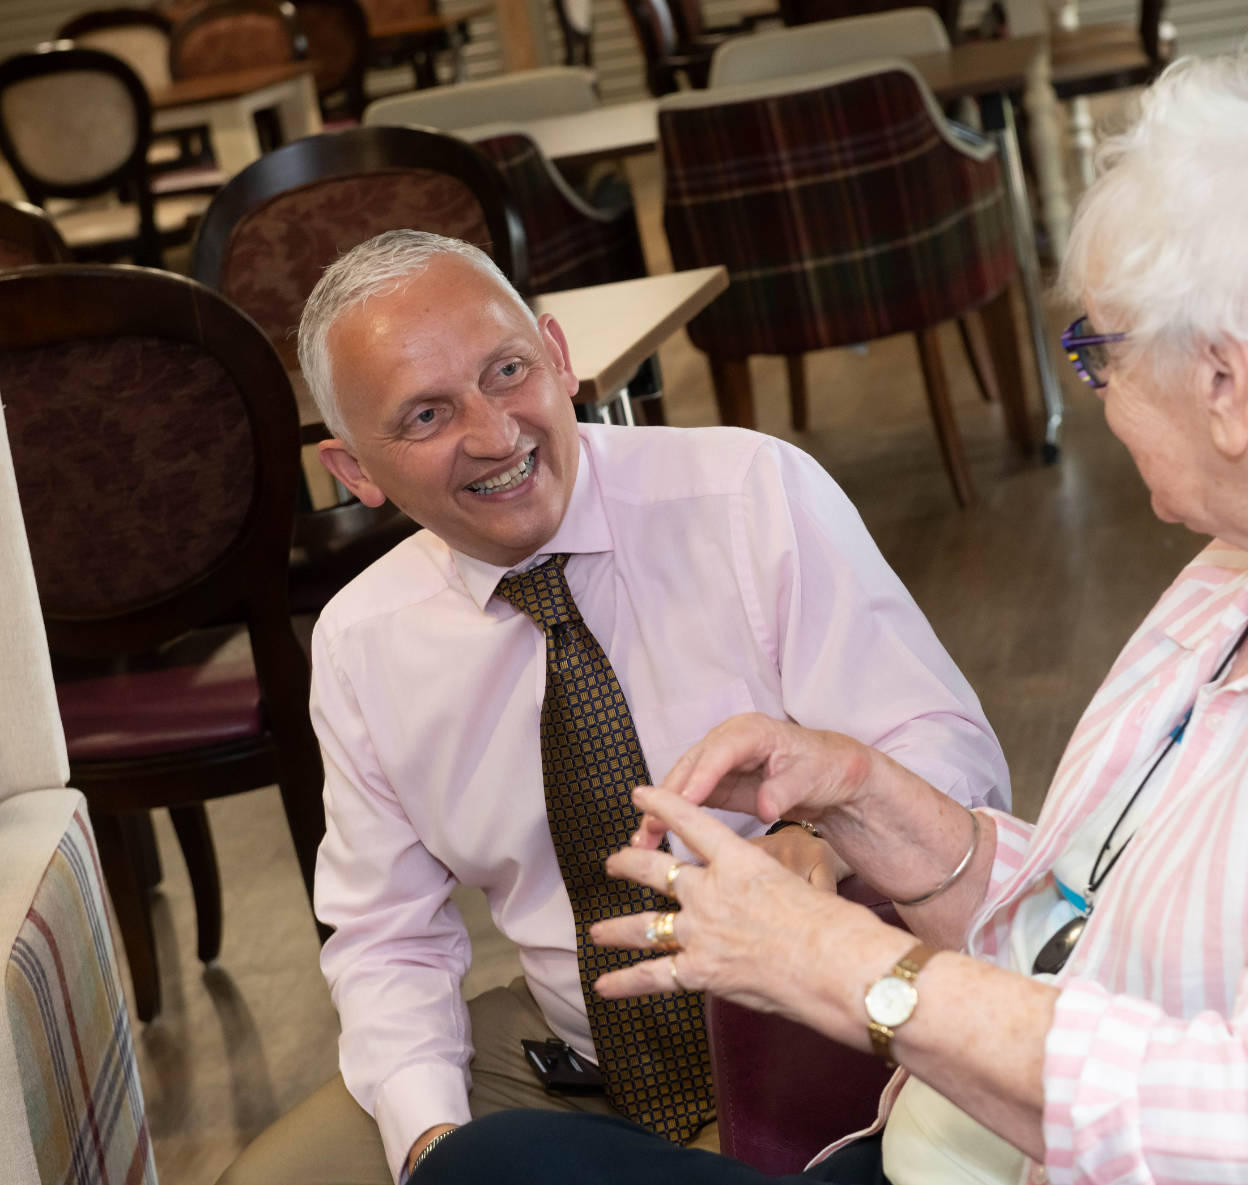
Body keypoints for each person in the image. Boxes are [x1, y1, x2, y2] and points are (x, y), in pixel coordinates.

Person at [407, 43, 1248, 1185]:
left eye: (1103, 349)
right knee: (499, 1158)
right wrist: (870, 799)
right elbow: (1086, 924)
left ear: (1230, 385)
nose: (1090, 385)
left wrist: (852, 969)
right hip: (973, 1150)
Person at [217, 230, 1010, 1185]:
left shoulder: (750, 494)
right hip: (571, 1057)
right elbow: (387, 934)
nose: (494, 432)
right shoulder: (361, 640)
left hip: (830, 1036)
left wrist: (833, 831)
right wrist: (432, 1143)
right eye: (427, 415)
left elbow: (955, 757)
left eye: (507, 371)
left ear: (559, 356)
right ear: (357, 472)